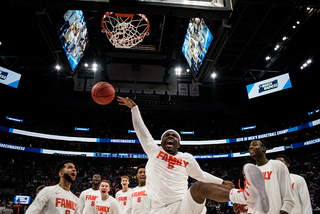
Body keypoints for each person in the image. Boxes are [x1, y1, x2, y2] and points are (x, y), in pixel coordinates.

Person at [117, 96, 269, 214]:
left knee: (198, 187)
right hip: (160, 209)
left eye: (174, 136)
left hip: (184, 203)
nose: (170, 137)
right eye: (166, 136)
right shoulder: (154, 151)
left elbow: (201, 175)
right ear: (161, 142)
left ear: (179, 144)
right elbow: (141, 131)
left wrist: (222, 181)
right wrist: (134, 108)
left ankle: (246, 196)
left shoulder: (187, 158)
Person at [248, 139, 294, 214]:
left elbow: (288, 197)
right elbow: (252, 199)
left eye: (254, 145)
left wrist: (284, 210)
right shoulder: (251, 172)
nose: (250, 147)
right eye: (250, 146)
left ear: (263, 148)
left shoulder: (277, 165)